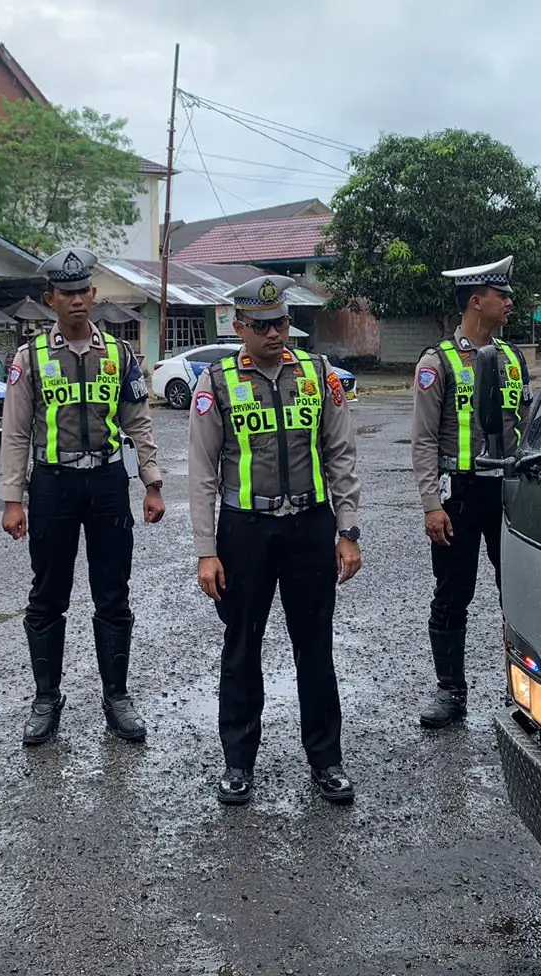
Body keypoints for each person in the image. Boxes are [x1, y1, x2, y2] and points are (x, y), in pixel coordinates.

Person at [189, 275, 363, 806]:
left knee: (315, 646)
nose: (274, 334)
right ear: (239, 326)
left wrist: (348, 530)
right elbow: (201, 473)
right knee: (242, 648)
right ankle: (238, 763)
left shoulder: (318, 374)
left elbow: (341, 455)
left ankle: (326, 760)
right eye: (261, 325)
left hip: (309, 527)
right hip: (245, 532)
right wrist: (206, 551)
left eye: (281, 323)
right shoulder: (216, 382)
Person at [0, 247, 164, 746]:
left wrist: (152, 482)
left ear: (93, 294)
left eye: (82, 291)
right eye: (65, 293)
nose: (76, 300)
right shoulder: (29, 358)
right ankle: (46, 698)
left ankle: (117, 697)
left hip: (108, 483)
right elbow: (16, 432)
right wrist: (13, 498)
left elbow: (138, 421)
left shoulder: (119, 354)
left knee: (113, 591)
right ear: (50, 298)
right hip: (53, 485)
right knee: (48, 593)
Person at [410, 255, 532, 728]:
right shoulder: (437, 362)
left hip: (508, 493)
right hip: (457, 495)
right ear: (476, 301)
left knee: (517, 595)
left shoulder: (513, 358)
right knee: (452, 594)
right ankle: (451, 692)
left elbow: (527, 426)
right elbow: (423, 440)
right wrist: (431, 505)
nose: (510, 302)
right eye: (502, 295)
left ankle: (523, 693)